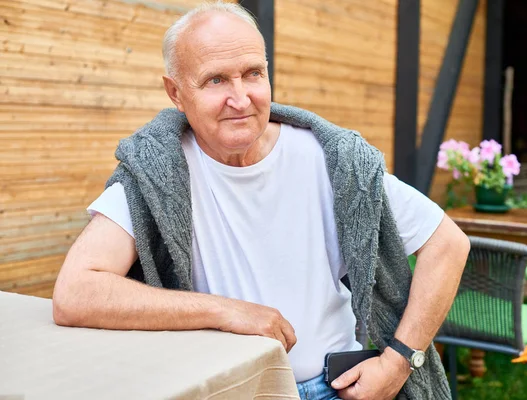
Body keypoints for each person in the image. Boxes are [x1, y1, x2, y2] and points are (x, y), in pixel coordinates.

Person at [52, 2, 470, 399]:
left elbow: (448, 244)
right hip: (220, 390)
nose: (240, 98)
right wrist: (225, 312)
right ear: (175, 92)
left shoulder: (333, 159)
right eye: (216, 80)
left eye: (253, 73)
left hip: (334, 387)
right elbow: (76, 293)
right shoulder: (156, 172)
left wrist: (399, 361)